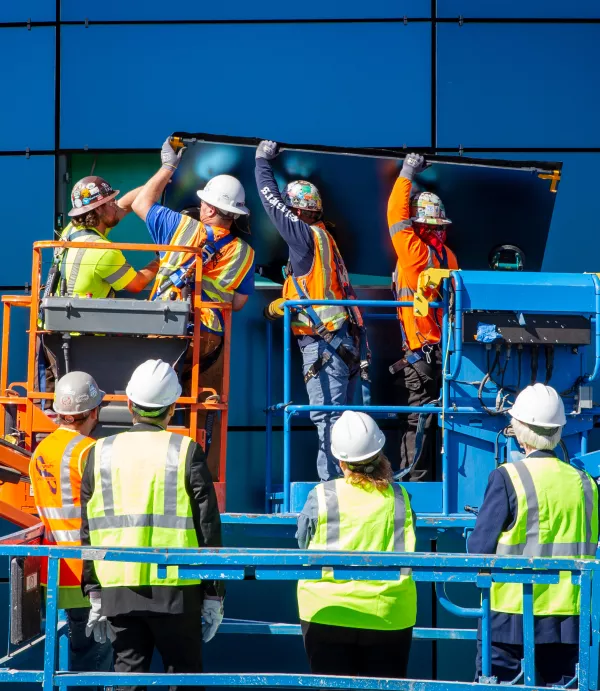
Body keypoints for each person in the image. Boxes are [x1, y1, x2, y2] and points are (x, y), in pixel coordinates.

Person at [80, 359, 224, 691]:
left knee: (128, 680)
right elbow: (208, 528)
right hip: (177, 590)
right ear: (172, 409)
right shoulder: (186, 451)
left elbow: (88, 528)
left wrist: (95, 591)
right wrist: (214, 592)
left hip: (118, 590)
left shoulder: (99, 453)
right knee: (184, 677)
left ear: (129, 404)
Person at [131, 139, 255, 478]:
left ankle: (150, 468)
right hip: (209, 341)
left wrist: (168, 166)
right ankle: (201, 474)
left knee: (151, 400)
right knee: (204, 408)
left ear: (212, 210)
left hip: (165, 327)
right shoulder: (245, 252)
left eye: (204, 203)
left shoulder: (181, 227)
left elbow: (142, 201)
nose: (200, 207)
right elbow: (240, 303)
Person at [469, 384, 599, 686]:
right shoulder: (586, 483)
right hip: (570, 621)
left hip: (510, 618)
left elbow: (478, 549)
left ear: (519, 429)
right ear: (559, 431)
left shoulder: (507, 477)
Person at [255, 140, 369, 482]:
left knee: (328, 420)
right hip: (343, 342)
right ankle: (352, 484)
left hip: (324, 346)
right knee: (341, 418)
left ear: (300, 211)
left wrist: (262, 161)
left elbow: (270, 202)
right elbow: (313, 283)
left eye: (292, 211)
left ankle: (335, 492)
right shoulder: (323, 238)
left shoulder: (304, 235)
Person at [296, 411, 416, 678]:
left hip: (327, 611)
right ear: (380, 453)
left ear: (340, 461)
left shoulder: (322, 496)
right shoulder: (400, 496)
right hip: (389, 612)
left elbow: (303, 542)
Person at [29, 371, 113, 679]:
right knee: (95, 663)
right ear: (92, 411)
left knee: (73, 660)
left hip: (54, 573)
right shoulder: (88, 451)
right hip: (88, 575)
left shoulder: (40, 453)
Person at [387, 153, 458, 482]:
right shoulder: (448, 255)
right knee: (444, 418)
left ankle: (415, 482)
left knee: (419, 418)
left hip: (421, 354)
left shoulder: (415, 253)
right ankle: (442, 483)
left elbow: (395, 217)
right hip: (446, 354)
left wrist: (406, 173)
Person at [58, 176, 160, 298]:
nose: (116, 205)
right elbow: (137, 283)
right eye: (112, 202)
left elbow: (123, 206)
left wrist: (158, 184)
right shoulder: (102, 251)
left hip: (59, 313)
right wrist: (163, 258)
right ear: (99, 210)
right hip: (85, 315)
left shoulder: (71, 230)